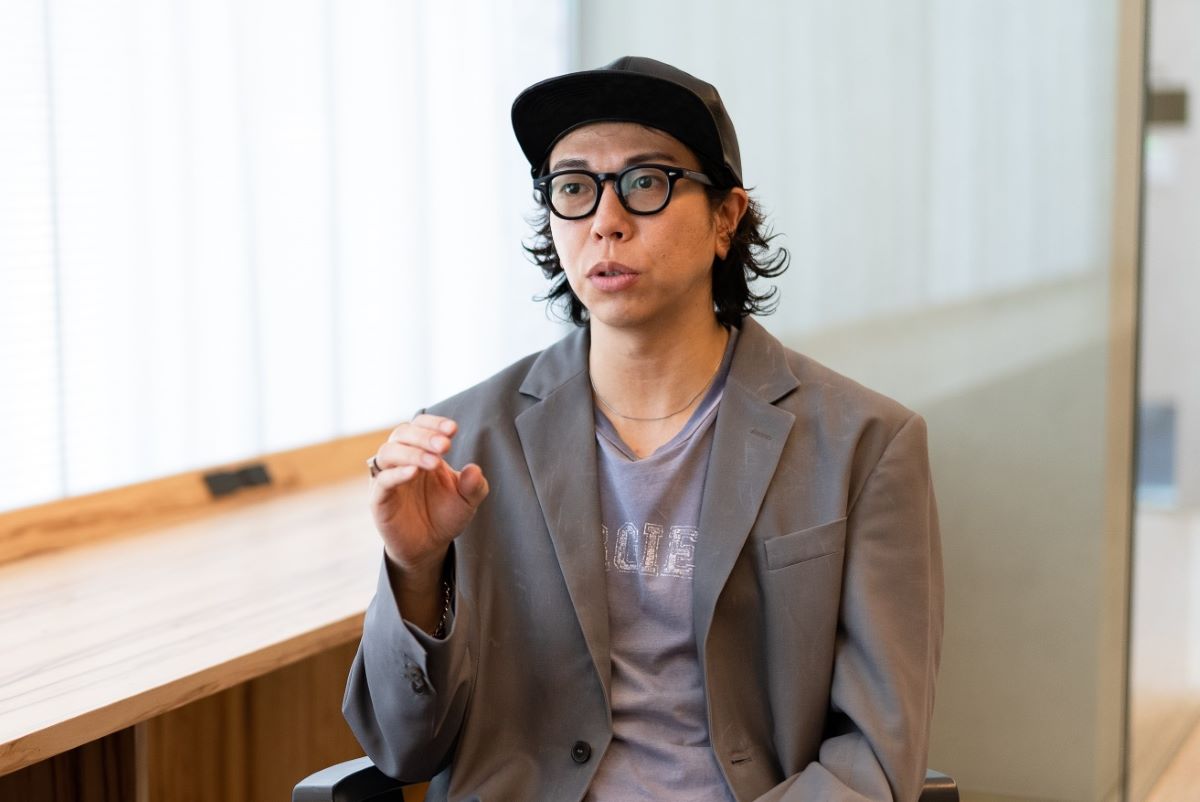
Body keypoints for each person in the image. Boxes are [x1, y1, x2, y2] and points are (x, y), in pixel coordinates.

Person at [345, 56, 943, 802]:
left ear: (726, 218)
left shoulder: (865, 444)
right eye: (574, 187)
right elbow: (402, 748)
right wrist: (412, 570)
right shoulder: (465, 443)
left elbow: (874, 758)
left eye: (645, 182)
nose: (606, 221)